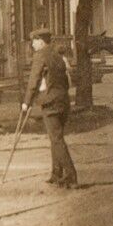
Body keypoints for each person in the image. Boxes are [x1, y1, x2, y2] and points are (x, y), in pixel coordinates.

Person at [21, 28, 78, 189]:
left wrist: (26, 102)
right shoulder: (57, 55)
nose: (32, 44)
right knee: (56, 138)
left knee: (56, 139)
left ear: (40, 41)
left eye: (34, 41)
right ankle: (56, 174)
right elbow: (66, 81)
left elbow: (34, 80)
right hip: (63, 101)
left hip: (50, 104)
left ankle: (71, 176)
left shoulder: (40, 56)